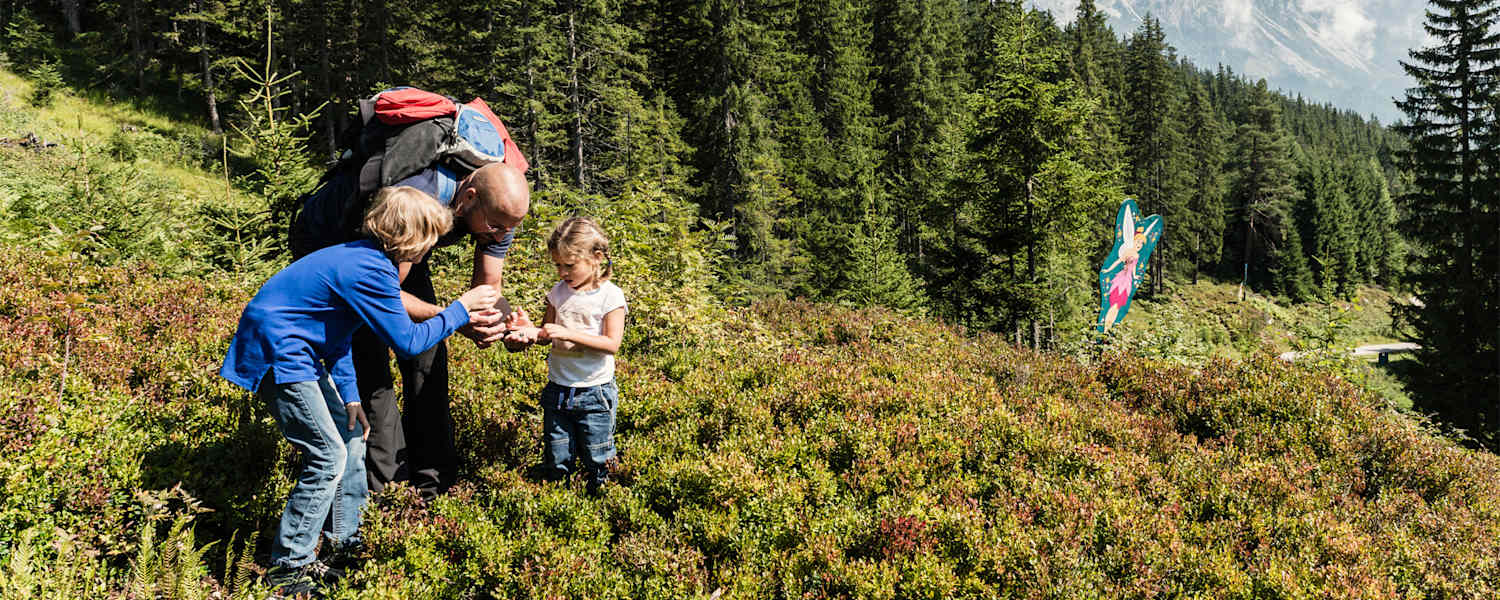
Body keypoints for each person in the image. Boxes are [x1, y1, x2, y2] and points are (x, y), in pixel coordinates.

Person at [221, 187, 499, 597]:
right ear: (416, 240)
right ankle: (289, 568)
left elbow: (341, 334)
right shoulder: (367, 270)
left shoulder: (367, 261)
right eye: (433, 239)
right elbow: (408, 341)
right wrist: (461, 309)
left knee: (352, 440)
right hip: (278, 353)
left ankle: (343, 546)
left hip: (300, 351)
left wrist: (351, 397)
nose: (434, 247)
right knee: (328, 454)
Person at [296, 161, 532, 498]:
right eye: (495, 226)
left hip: (407, 253)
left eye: (507, 230)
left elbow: (489, 290)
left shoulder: (498, 215)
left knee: (428, 355)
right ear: (469, 196)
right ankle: (387, 490)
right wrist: (453, 316)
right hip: (345, 253)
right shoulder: (420, 195)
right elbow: (388, 295)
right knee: (372, 367)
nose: (498, 236)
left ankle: (433, 484)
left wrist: (506, 327)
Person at [509, 217, 627, 495]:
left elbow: (611, 344)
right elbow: (548, 334)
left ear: (596, 258)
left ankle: (602, 503)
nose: (562, 272)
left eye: (569, 265)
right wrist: (528, 331)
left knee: (598, 456)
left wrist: (568, 333)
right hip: (558, 390)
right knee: (557, 456)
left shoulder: (611, 297)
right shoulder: (557, 293)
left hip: (594, 391)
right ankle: (560, 504)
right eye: (557, 265)